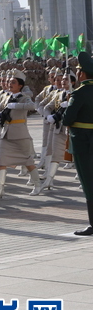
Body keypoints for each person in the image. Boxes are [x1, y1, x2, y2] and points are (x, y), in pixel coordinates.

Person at [0, 69, 41, 199]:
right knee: (2, 162)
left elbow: (32, 106)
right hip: (5, 134)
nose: (10, 84)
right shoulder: (6, 97)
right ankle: (0, 189)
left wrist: (15, 106)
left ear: (20, 85)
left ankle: (37, 184)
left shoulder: (24, 98)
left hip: (20, 134)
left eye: (13, 82)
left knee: (27, 161)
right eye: (9, 82)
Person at [63, 52, 93, 235]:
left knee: (88, 182)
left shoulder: (80, 92)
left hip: (83, 141)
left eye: (79, 71)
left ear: (83, 74)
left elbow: (68, 119)